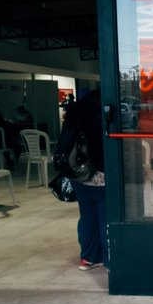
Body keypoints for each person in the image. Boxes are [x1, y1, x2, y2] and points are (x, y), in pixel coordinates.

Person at [54, 90, 106, 271]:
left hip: (78, 176)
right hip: (99, 176)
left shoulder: (72, 118)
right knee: (104, 216)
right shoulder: (99, 119)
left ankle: (88, 257)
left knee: (87, 217)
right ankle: (108, 258)